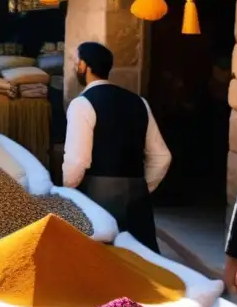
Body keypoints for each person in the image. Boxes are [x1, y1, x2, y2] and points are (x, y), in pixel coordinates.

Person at [62, 41, 172, 252]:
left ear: (85, 66)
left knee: (102, 262)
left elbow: (77, 161)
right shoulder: (139, 101)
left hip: (98, 197)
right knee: (143, 263)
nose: (76, 67)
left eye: (77, 62)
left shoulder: (81, 104)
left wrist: (68, 193)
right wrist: (141, 186)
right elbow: (162, 156)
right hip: (137, 196)